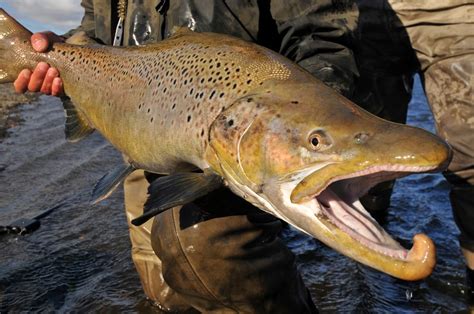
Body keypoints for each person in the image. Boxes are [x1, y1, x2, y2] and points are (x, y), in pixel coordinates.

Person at [14, 0, 474, 310]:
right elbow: (97, 33)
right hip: (142, 117)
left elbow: (321, 30)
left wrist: (322, 115)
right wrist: (63, 57)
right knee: (163, 283)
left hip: (222, 115)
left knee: (204, 253)